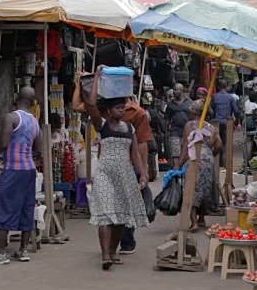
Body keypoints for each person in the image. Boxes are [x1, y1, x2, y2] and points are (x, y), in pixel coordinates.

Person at [82, 67, 148, 270]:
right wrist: (97, 77)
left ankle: (112, 252)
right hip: (105, 174)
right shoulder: (101, 125)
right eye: (118, 107)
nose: (121, 110)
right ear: (109, 110)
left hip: (125, 174)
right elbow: (90, 103)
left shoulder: (129, 128)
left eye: (123, 107)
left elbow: (135, 153)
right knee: (105, 213)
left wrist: (143, 174)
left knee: (121, 217)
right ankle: (104, 256)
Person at [0, 86, 41, 266]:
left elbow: (4, 143)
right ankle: (22, 250)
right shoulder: (35, 122)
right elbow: (38, 149)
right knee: (26, 207)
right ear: (32, 102)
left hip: (13, 168)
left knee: (4, 205)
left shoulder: (11, 117)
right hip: (29, 170)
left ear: (16, 98)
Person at [175, 99, 222, 231]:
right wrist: (211, 154)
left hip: (194, 158)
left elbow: (186, 146)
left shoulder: (190, 125)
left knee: (191, 189)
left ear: (192, 112)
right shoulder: (210, 126)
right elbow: (219, 145)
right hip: (208, 159)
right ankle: (202, 219)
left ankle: (194, 222)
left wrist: (179, 164)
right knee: (205, 189)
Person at [119, 95, 153, 255]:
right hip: (109, 166)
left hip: (130, 166)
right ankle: (113, 243)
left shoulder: (138, 113)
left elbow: (141, 144)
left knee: (127, 204)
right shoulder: (105, 110)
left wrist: (143, 172)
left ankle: (126, 240)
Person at [210, 79, 240, 168]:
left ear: (218, 87)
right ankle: (227, 163)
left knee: (217, 142)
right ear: (226, 87)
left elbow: (212, 109)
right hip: (228, 123)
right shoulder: (230, 97)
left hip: (217, 123)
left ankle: (219, 163)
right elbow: (236, 111)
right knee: (227, 143)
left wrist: (213, 118)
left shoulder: (214, 97)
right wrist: (237, 121)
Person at [164, 83, 192, 167]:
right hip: (175, 131)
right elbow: (167, 119)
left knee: (186, 151)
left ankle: (184, 170)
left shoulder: (189, 103)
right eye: (173, 90)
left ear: (181, 91)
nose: (174, 92)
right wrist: (166, 132)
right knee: (175, 151)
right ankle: (176, 170)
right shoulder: (170, 105)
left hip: (187, 132)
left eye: (176, 90)